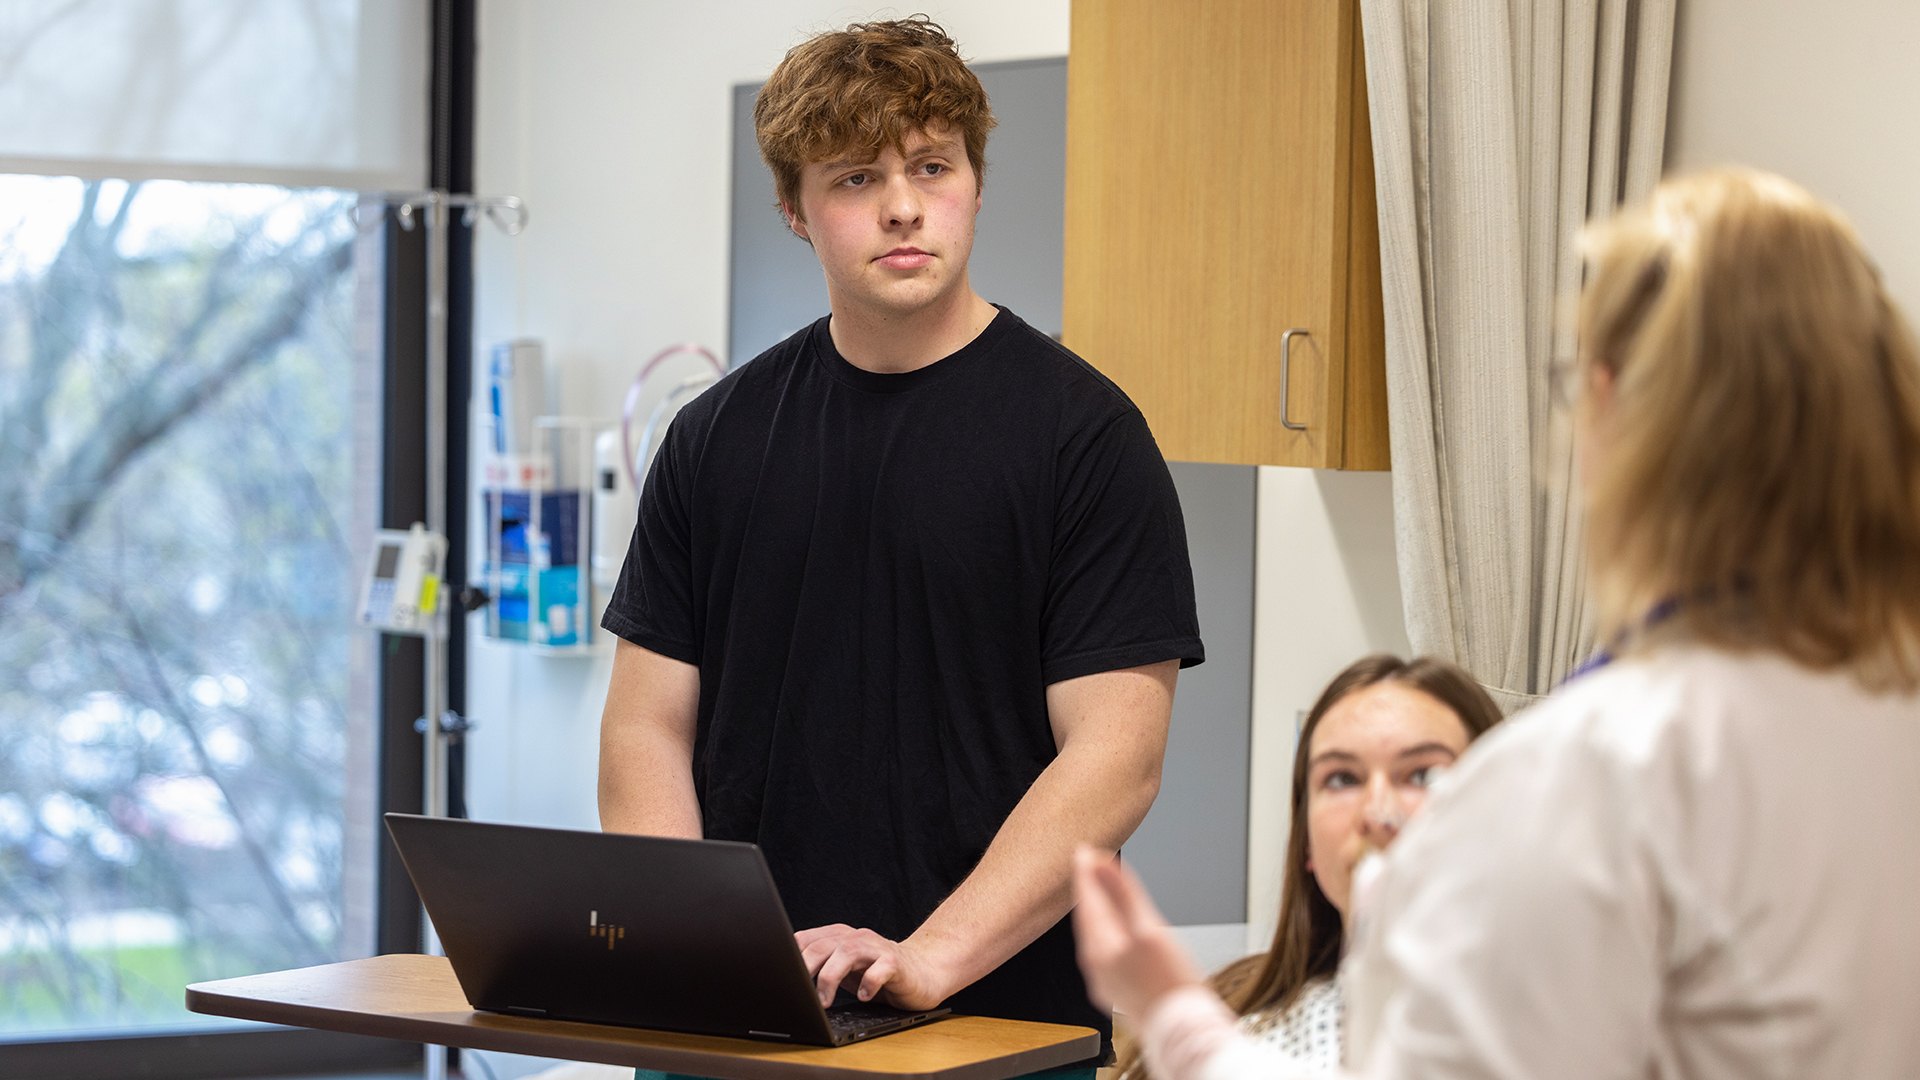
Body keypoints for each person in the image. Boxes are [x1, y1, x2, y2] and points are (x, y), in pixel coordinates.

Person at [1073, 168, 1920, 1078]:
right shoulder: (1883, 714)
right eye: (1341, 778)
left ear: (1615, 409)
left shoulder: (1597, 768)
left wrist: (1182, 1025)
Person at [597, 15, 1204, 1068]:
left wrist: (931, 956)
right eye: (853, 179)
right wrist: (704, 951)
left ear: (974, 178)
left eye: (933, 165)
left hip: (992, 1028)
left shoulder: (1086, 439)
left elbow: (1117, 758)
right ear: (793, 208)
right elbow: (646, 728)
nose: (903, 205)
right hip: (737, 1027)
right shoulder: (714, 437)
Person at [1113, 655, 1501, 1078]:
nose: (1377, 813)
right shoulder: (1232, 1027)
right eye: (1342, 779)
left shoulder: (1560, 1029)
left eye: (1422, 775)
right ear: (1308, 847)